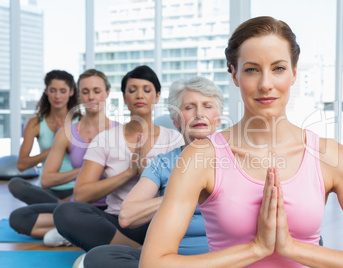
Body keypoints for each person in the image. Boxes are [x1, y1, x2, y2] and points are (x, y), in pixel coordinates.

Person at [139, 16, 343, 267]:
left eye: (278, 68)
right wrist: (255, 249)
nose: (266, 84)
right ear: (234, 75)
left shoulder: (331, 156)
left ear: (294, 73)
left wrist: (291, 248)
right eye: (252, 70)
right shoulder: (200, 157)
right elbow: (153, 262)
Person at [83, 76, 224, 268]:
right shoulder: (162, 163)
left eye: (207, 106)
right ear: (175, 120)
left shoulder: (234, 160)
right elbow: (127, 216)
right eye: (189, 107)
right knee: (98, 257)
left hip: (221, 260)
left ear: (218, 118)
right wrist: (188, 193)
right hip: (169, 262)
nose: (199, 114)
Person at [53, 65, 183, 253]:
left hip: (159, 221)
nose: (139, 95)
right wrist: (129, 173)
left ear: (157, 97)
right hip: (118, 222)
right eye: (132, 90)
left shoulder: (173, 139)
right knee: (65, 213)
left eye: (147, 90)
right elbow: (81, 195)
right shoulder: (105, 139)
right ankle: (140, 252)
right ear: (124, 98)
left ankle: (119, 252)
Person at [8, 69, 117, 246]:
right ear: (79, 94)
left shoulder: (120, 131)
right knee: (19, 217)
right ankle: (74, 230)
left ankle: (70, 230)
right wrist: (88, 168)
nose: (91, 97)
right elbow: (46, 179)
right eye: (85, 91)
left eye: (97, 91)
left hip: (108, 208)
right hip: (74, 205)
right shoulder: (66, 133)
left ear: (107, 93)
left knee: (75, 215)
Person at [8, 70, 81, 205]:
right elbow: (22, 165)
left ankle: (53, 208)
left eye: (62, 91)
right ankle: (61, 206)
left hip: (76, 187)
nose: (57, 96)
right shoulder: (35, 123)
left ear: (71, 92)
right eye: (53, 90)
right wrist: (56, 145)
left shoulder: (81, 121)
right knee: (15, 184)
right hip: (46, 189)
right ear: (46, 91)